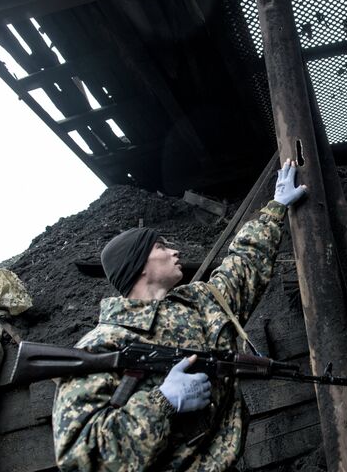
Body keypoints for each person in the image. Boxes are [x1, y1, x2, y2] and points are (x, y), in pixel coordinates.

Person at [52, 160, 306, 471]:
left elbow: (242, 269)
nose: (175, 251)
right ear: (139, 266)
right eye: (160, 246)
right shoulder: (102, 346)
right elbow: (82, 460)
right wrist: (162, 403)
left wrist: (276, 207)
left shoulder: (196, 301)